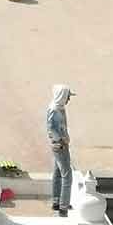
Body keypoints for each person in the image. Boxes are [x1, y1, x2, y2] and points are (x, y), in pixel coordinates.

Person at [45, 85, 74, 215]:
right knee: (67, 175)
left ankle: (57, 202)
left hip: (60, 143)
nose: (68, 99)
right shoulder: (54, 109)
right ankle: (64, 206)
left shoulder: (58, 107)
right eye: (68, 96)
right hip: (60, 145)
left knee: (57, 173)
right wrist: (61, 140)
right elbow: (51, 128)